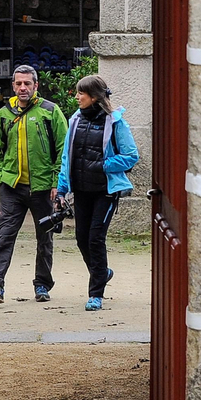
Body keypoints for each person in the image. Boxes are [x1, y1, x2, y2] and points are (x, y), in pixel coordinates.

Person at [0, 65, 68, 305]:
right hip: (12, 187)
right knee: (4, 235)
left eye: (27, 83)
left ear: (36, 85)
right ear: (13, 86)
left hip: (43, 187)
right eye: (18, 84)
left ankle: (42, 285)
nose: (23, 87)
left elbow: (63, 150)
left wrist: (58, 182)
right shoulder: (5, 113)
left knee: (44, 238)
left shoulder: (50, 111)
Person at [56, 74, 140, 311]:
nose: (76, 97)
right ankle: (102, 272)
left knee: (95, 239)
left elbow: (131, 156)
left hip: (105, 191)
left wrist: (104, 165)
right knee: (81, 239)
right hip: (81, 191)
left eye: (80, 93)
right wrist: (62, 188)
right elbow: (66, 159)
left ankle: (96, 294)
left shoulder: (116, 122)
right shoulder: (74, 120)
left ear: (93, 97)